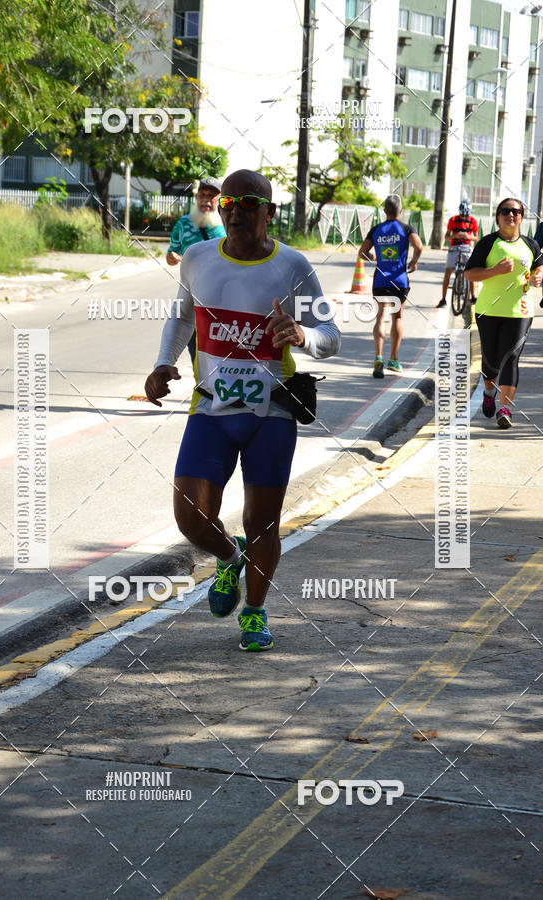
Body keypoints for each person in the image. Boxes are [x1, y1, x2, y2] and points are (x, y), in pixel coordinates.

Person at [145, 169, 340, 651]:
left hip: (270, 414)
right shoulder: (197, 257)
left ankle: (254, 611)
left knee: (263, 523)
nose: (234, 210)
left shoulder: (293, 266)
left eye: (247, 203)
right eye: (228, 202)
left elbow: (331, 338)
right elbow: (182, 316)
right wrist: (163, 362)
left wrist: (301, 335)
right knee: (190, 517)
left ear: (269, 212)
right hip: (210, 408)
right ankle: (229, 559)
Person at [465, 197, 543, 429]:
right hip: (488, 310)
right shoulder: (488, 243)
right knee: (491, 361)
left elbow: (538, 266)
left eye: (516, 211)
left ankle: (505, 408)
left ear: (521, 216)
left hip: (520, 311)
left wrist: (539, 275)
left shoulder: (530, 245)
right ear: (498, 216)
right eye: (506, 211)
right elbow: (469, 274)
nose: (511, 215)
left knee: (511, 358)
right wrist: (494, 271)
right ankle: (489, 392)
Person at [358, 194, 422, 378]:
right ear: (400, 211)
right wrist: (413, 262)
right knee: (398, 318)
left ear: (384, 211)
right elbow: (419, 246)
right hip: (399, 280)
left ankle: (378, 357)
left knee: (380, 317)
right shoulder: (406, 228)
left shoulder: (376, 229)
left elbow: (362, 252)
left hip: (380, 280)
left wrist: (374, 257)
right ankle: (393, 359)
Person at [166, 177, 226, 363]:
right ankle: (202, 386)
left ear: (219, 198)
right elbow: (171, 254)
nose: (205, 200)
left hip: (224, 299)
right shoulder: (183, 224)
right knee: (197, 352)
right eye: (202, 195)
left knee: (221, 349)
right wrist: (172, 258)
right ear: (197, 197)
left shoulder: (228, 224)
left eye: (211, 195)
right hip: (193, 298)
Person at [437, 200, 479, 308]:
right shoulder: (453, 220)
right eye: (462, 215)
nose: (463, 218)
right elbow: (446, 237)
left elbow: (476, 238)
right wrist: (454, 236)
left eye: (466, 216)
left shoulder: (473, 221)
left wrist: (467, 237)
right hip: (454, 247)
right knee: (448, 272)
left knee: (471, 270)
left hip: (467, 247)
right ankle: (443, 299)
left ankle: (473, 295)